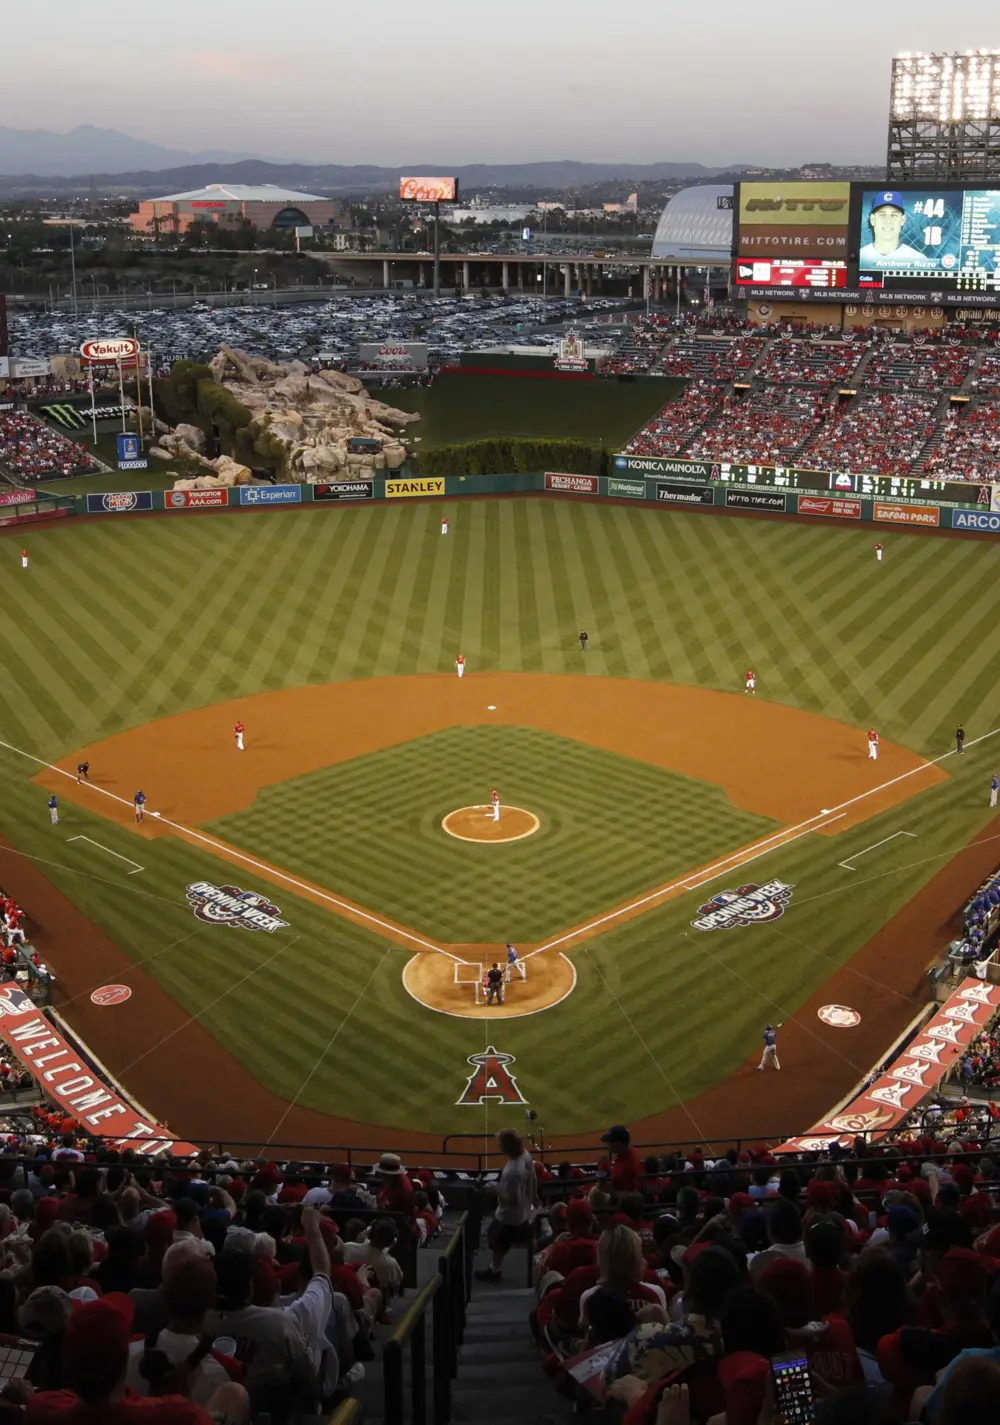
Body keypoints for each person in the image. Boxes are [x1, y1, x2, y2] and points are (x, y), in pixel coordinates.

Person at [475, 1128, 537, 1282]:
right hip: (523, 1210)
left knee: (498, 1242)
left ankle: (495, 1271)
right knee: (525, 1237)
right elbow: (533, 1178)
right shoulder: (526, 1156)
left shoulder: (512, 1172)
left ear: (507, 1146)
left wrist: (494, 1190)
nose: (498, 1145)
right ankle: (533, 1264)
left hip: (509, 1216)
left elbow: (512, 1200)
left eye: (500, 1143)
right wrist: (533, 1198)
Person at [859, 191, 934, 270]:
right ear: (872, 219)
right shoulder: (861, 257)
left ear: (902, 220)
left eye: (894, 215)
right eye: (882, 215)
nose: (888, 221)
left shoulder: (919, 260)